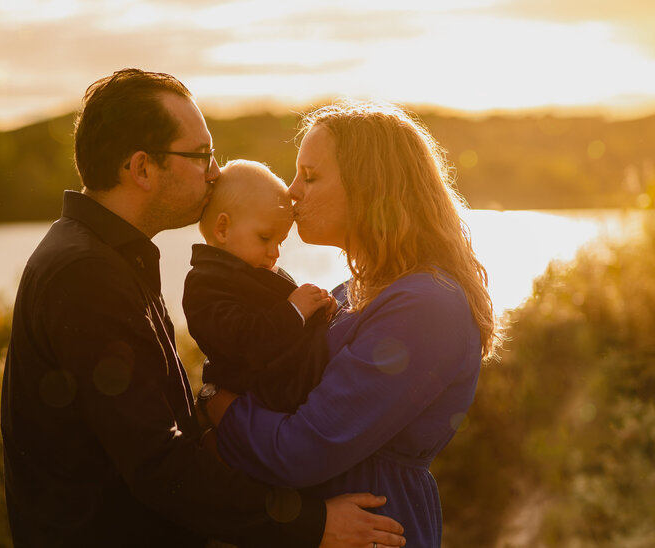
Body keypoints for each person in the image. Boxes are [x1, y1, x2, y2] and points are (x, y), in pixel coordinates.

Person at [0, 69, 406, 547]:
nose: (215, 171)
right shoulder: (85, 274)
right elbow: (157, 463)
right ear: (142, 169)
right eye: (201, 156)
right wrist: (309, 524)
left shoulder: (101, 256)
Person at [203, 102, 496, 548]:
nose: (291, 191)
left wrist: (219, 407)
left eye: (311, 176)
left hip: (378, 528)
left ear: (370, 188)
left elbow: (302, 449)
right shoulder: (349, 293)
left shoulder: (425, 307)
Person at [183, 159, 333, 413]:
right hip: (257, 405)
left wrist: (317, 308)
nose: (274, 252)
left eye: (281, 242)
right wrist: (294, 311)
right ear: (223, 228)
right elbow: (243, 341)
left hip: (284, 396)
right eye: (265, 238)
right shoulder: (205, 285)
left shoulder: (255, 269)